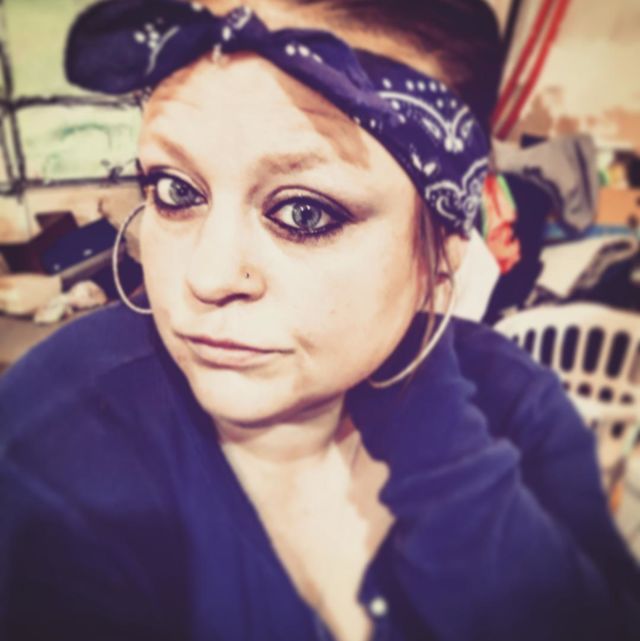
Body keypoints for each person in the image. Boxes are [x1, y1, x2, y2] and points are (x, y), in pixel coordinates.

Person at [1, 1, 639, 640]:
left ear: (444, 255)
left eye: (304, 213)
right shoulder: (57, 435)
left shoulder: (517, 403)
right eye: (175, 190)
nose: (206, 276)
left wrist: (437, 429)